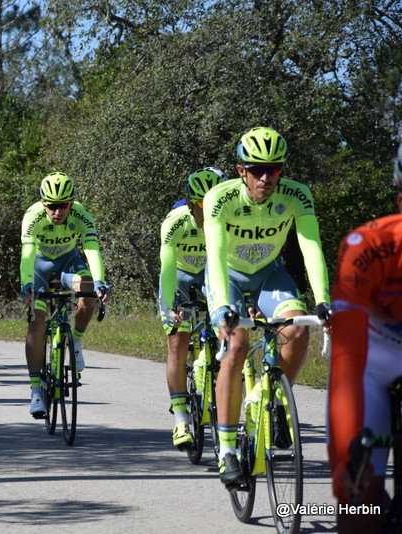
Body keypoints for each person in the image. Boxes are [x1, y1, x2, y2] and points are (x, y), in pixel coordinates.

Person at [203, 126, 331, 487]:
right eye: (257, 169)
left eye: (274, 169)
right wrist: (223, 307)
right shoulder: (220, 198)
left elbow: (310, 246)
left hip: (268, 274)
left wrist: (322, 300)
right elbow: (213, 252)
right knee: (237, 345)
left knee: (298, 328)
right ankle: (227, 449)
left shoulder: (296, 196)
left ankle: (273, 400)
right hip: (226, 274)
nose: (265, 176)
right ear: (241, 170)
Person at [327, 142, 402, 533]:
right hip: (375, 359)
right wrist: (344, 456)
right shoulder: (366, 247)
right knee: (359, 491)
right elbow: (347, 362)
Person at [20, 172, 111, 417]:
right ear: (42, 203)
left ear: (71, 203)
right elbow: (27, 254)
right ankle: (36, 389)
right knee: (37, 322)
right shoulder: (33, 216)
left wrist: (100, 280)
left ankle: (77, 341)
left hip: (69, 262)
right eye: (52, 206)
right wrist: (27, 284)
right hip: (39, 265)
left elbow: (91, 248)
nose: (58, 211)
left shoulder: (81, 214)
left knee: (88, 292)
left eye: (64, 205)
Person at [158, 167, 227, 449]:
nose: (206, 211)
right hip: (181, 275)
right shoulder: (175, 221)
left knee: (228, 334)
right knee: (177, 343)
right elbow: (167, 267)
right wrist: (170, 305)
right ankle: (181, 421)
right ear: (189, 203)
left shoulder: (227, 217)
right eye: (200, 205)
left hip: (212, 273)